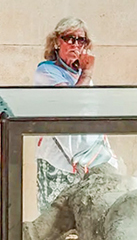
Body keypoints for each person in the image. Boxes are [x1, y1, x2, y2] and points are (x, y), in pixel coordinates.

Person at [33, 17, 114, 211]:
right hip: (58, 163)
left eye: (81, 40)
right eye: (70, 38)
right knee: (54, 225)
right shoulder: (46, 71)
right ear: (56, 42)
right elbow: (70, 104)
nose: (75, 44)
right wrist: (87, 74)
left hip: (87, 162)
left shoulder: (81, 75)